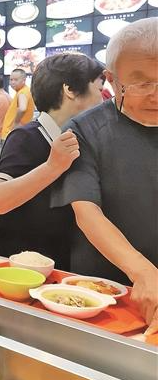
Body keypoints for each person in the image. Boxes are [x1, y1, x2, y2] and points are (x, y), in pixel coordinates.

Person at [51, 18, 158, 334]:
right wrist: (144, 272)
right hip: (105, 296)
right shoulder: (84, 130)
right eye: (141, 84)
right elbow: (87, 213)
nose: (155, 95)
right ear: (111, 80)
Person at [0, 53, 102, 270]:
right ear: (70, 90)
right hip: (25, 269)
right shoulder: (27, 137)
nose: (103, 99)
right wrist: (52, 168)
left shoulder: (84, 139)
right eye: (99, 88)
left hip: (67, 270)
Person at [2, 68, 35, 138]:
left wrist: (15, 124)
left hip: (13, 134)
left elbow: (22, 108)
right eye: (11, 80)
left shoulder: (22, 92)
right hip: (17, 133)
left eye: (16, 80)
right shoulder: (24, 91)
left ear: (24, 80)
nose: (12, 82)